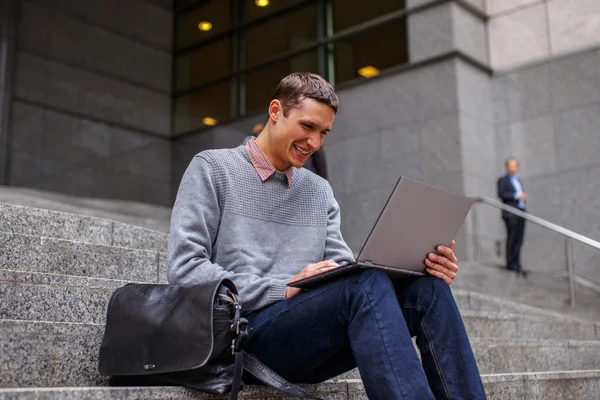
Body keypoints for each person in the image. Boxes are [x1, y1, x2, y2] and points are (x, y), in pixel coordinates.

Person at [167, 72, 486, 400]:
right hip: (242, 335)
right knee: (363, 286)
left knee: (428, 291)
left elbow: (343, 269)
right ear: (275, 111)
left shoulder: (318, 191)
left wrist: (419, 267)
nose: (315, 143)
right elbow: (185, 269)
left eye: (324, 133)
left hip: (311, 340)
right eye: (307, 126)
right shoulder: (213, 168)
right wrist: (285, 287)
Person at [497, 157, 528, 277]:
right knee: (512, 238)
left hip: (521, 212)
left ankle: (517, 263)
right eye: (510, 165)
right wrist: (516, 195)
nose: (512, 168)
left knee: (519, 239)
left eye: (514, 165)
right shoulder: (503, 180)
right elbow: (501, 194)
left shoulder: (518, 181)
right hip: (510, 213)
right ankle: (510, 263)